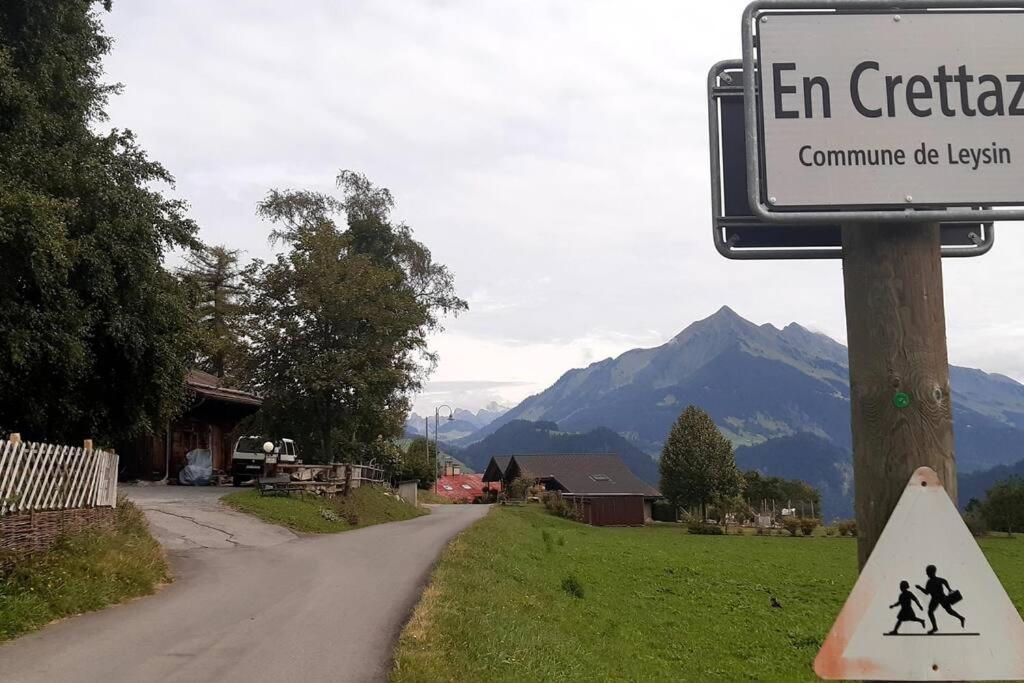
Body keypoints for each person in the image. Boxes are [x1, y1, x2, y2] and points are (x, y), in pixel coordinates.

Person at [916, 564, 966, 634]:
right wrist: (949, 589)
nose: (927, 573)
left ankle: (935, 628)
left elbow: (927, 592)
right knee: (948, 610)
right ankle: (960, 618)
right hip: (941, 598)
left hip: (938, 599)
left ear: (929, 573)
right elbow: (944, 581)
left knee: (932, 612)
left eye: (927, 572)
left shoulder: (929, 582)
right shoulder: (938, 580)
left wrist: (919, 588)